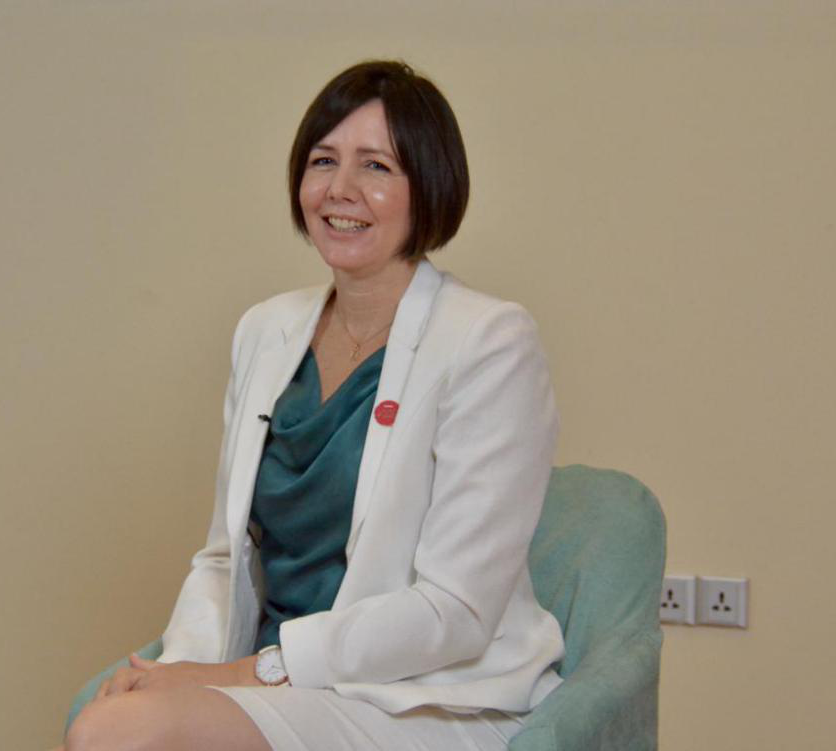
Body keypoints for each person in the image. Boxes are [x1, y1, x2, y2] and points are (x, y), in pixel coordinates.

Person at [60, 60, 565, 751]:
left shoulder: (488, 340)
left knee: (112, 732)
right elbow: (223, 559)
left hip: (422, 698)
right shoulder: (265, 329)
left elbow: (456, 611)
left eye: (376, 166)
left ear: (430, 185)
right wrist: (175, 670)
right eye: (323, 160)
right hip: (281, 688)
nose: (339, 189)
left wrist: (249, 673)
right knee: (119, 715)